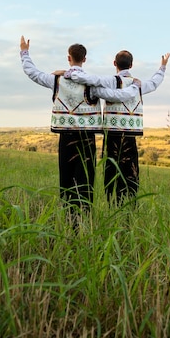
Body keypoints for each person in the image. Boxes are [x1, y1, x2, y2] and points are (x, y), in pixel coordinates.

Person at [19, 36, 141, 219]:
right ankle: (84, 216)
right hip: (86, 137)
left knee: (66, 177)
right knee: (85, 178)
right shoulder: (92, 84)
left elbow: (32, 72)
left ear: (69, 58)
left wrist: (24, 52)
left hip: (66, 137)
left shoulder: (57, 80)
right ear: (84, 59)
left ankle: (69, 215)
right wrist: (135, 86)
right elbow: (115, 93)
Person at [66, 50, 170, 205]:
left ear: (114, 63)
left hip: (111, 135)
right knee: (130, 174)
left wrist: (68, 73)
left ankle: (111, 204)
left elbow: (88, 79)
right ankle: (129, 206)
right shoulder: (138, 84)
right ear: (131, 64)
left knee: (111, 172)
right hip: (130, 136)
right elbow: (155, 82)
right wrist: (162, 67)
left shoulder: (109, 81)